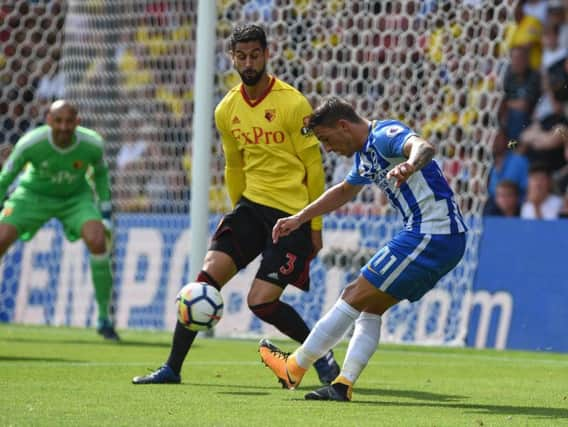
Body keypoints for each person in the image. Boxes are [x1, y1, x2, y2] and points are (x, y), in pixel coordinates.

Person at [132, 24, 339, 385]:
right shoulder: (226, 109)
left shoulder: (293, 103)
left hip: (292, 215)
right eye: (241, 56)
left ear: (266, 55)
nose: (248, 62)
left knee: (260, 302)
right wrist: (238, 213)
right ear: (232, 58)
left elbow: (313, 167)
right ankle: (172, 368)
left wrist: (314, 225)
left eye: (254, 55)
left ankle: (320, 356)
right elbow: (234, 164)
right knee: (204, 283)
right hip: (250, 208)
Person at [258, 97, 467, 402]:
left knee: (353, 293)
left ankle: (294, 367)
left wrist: (409, 164)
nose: (328, 149)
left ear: (343, 125)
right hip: (438, 238)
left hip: (431, 233)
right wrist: (301, 217)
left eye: (326, 139)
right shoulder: (364, 158)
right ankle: (342, 385)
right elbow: (344, 191)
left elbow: (424, 147)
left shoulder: (384, 135)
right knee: (370, 307)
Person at [0, 100, 119, 340]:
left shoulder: (92, 144)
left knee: (98, 240)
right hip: (32, 196)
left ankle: (104, 319)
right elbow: (7, 175)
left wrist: (105, 213)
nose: (64, 127)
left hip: (75, 199)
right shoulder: (31, 143)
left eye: (69, 121)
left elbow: (101, 174)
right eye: (58, 121)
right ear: (48, 121)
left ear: (78, 122)